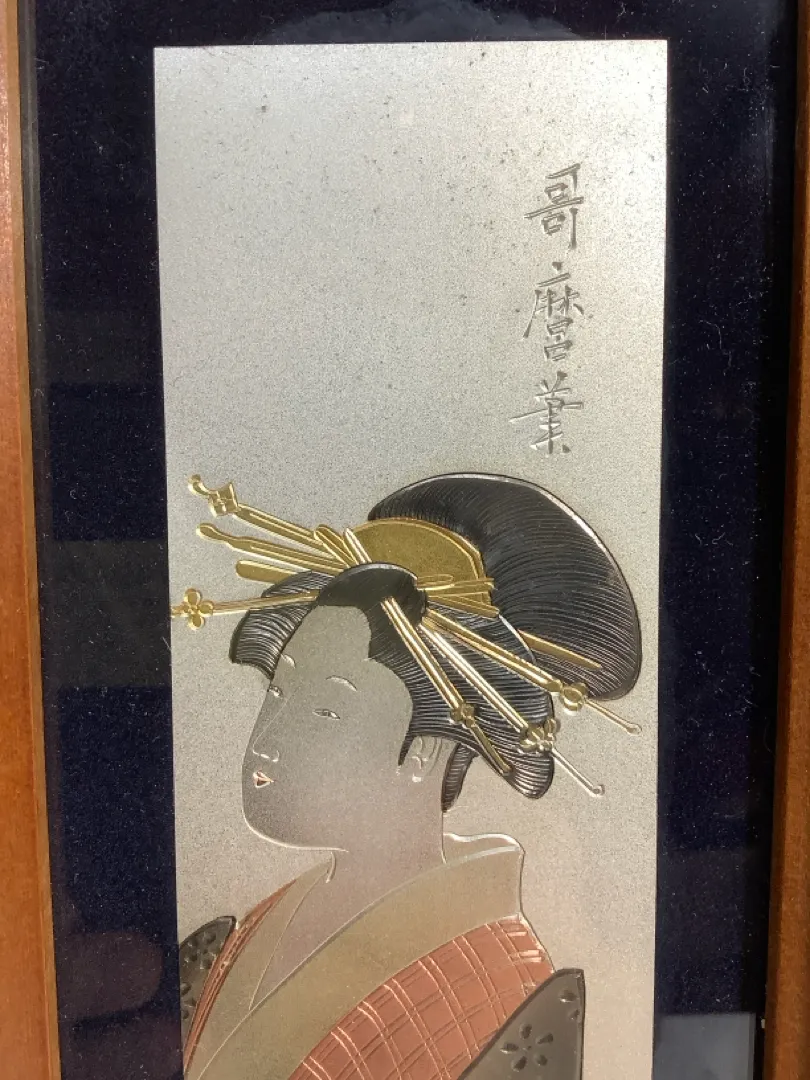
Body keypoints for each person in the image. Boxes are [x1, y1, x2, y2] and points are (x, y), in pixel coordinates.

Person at [176, 474, 641, 1080]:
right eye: (279, 693)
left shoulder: (501, 993)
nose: (266, 741)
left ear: (425, 749)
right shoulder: (238, 938)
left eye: (326, 710)